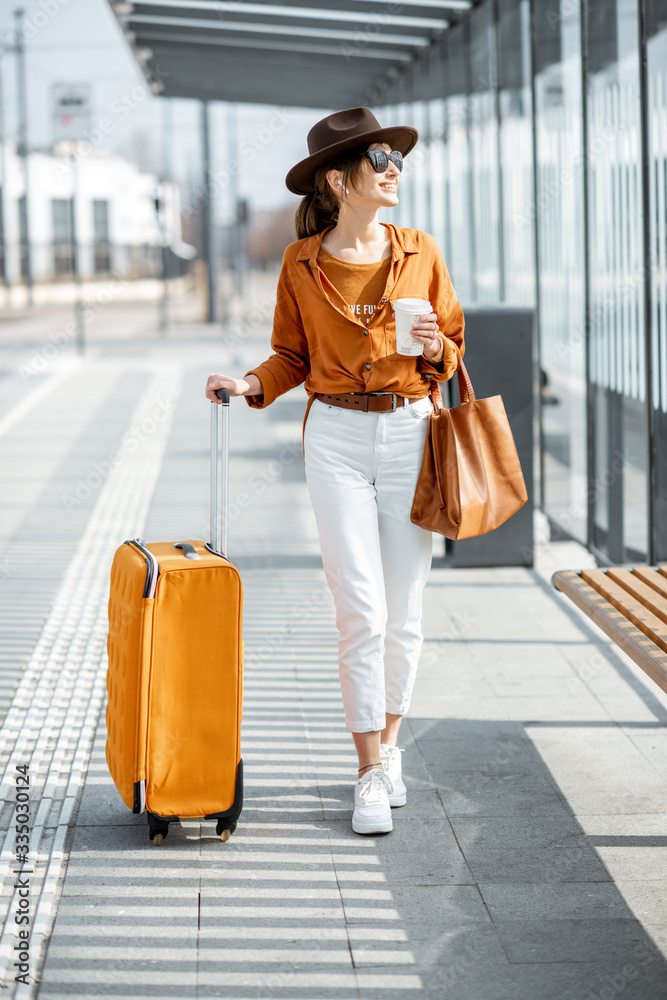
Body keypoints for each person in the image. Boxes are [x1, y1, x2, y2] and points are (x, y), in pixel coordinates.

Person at [206, 107, 465, 836]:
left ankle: (388, 747)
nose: (393, 168)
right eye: (378, 157)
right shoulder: (302, 263)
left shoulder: (420, 251)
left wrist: (431, 349)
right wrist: (251, 385)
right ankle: (367, 772)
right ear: (336, 178)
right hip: (337, 440)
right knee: (359, 608)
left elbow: (453, 345)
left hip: (411, 431)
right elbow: (291, 354)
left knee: (404, 612)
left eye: (395, 156)